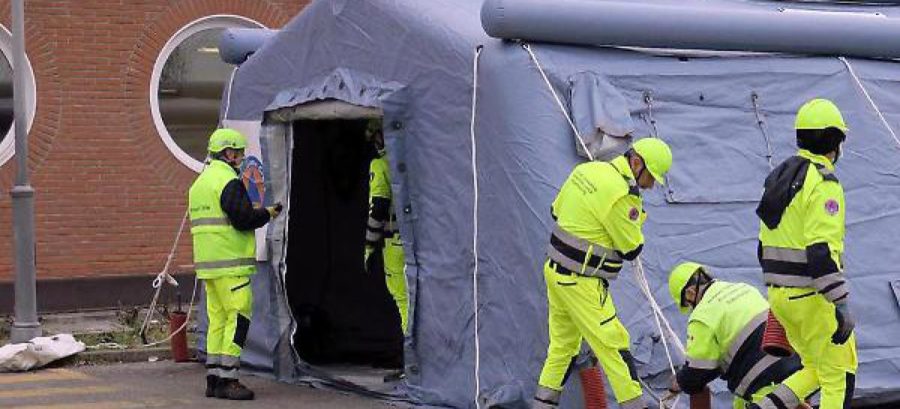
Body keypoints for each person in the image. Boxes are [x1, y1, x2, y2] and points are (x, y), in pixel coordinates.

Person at [533, 138, 673, 409]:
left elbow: (555, 210)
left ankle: (542, 404)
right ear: (636, 163)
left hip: (555, 272)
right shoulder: (622, 195)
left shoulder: (586, 170)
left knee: (562, 348)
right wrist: (638, 214)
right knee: (614, 345)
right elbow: (632, 249)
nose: (652, 185)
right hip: (582, 283)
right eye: (651, 178)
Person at [753, 98, 856, 409]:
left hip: (781, 297)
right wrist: (841, 304)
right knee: (839, 373)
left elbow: (762, 247)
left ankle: (764, 407)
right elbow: (820, 251)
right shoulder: (823, 183)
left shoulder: (779, 177)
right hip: (813, 298)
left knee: (813, 368)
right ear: (833, 140)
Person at [189, 128, 281, 400]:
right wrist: (267, 213)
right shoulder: (228, 181)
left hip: (209, 266)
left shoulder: (199, 184)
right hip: (232, 266)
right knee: (238, 318)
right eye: (239, 153)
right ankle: (230, 381)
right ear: (228, 153)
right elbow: (243, 219)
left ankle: (214, 380)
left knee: (217, 320)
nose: (241, 158)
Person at [667, 262, 816, 409]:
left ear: (690, 293)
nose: (691, 308)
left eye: (687, 304)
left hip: (765, 385)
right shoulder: (744, 288)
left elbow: (697, 373)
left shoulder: (701, 316)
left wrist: (679, 381)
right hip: (798, 375)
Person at [364, 120, 408, 335]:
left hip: (394, 241)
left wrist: (369, 246)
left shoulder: (380, 165)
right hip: (415, 240)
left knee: (402, 298)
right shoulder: (414, 163)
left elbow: (378, 208)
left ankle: (412, 358)